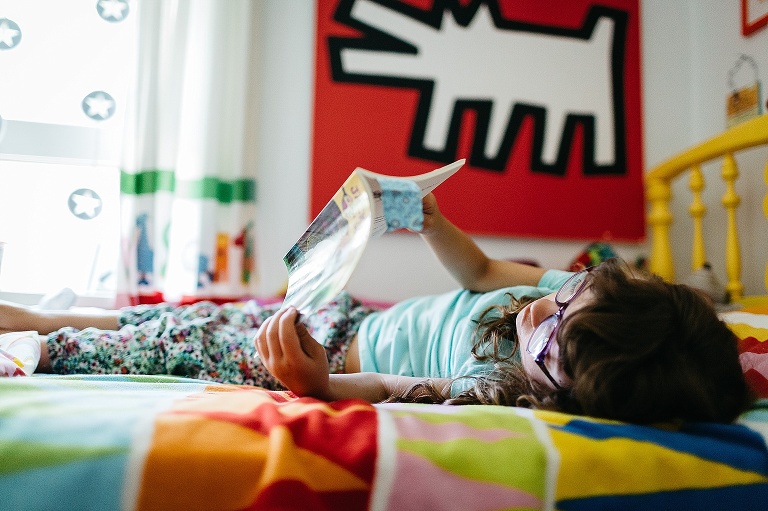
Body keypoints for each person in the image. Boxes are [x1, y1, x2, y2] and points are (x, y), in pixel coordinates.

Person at [0, 194, 754, 424]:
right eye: (563, 297)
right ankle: (36, 317)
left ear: (573, 391)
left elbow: (395, 389)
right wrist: (430, 221)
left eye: (551, 343)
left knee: (172, 346)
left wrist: (320, 387)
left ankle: (44, 342)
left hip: (330, 351)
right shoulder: (572, 296)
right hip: (348, 310)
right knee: (182, 314)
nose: (538, 315)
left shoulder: (506, 389)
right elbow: (485, 271)